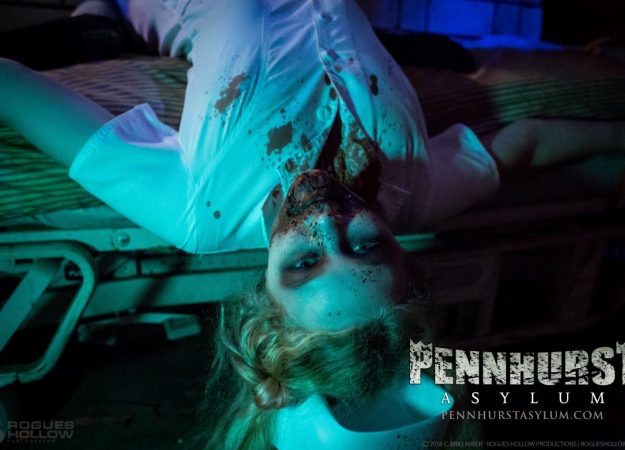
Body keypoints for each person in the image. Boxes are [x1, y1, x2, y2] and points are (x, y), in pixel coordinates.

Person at [2, 1, 625, 448]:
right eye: (366, 245)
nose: (328, 221)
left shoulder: (195, 209)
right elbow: (529, 143)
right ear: (401, 251)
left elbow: (10, 84)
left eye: (303, 264)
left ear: (264, 299)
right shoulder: (414, 193)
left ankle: (97, 19)